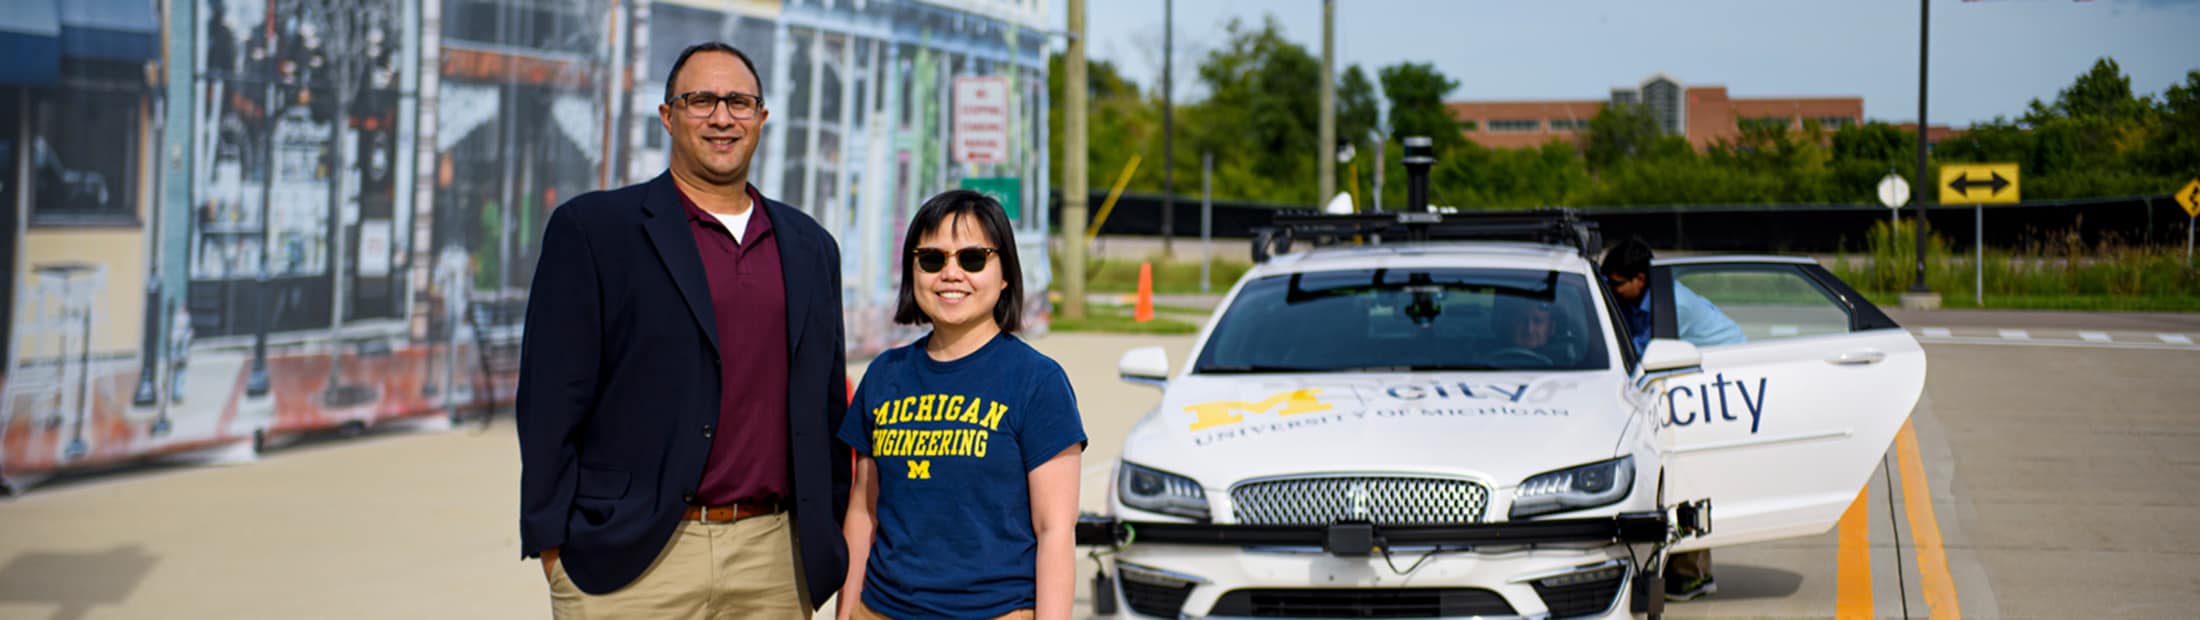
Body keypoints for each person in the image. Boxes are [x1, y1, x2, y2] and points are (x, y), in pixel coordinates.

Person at [517, 41, 849, 618]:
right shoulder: (595, 231)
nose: (722, 117)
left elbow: (825, 404)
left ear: (762, 118)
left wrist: (826, 535)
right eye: (701, 100)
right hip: (631, 562)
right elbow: (549, 399)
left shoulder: (811, 247)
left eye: (739, 102)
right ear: (668, 116)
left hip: (772, 561)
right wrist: (554, 546)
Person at [836, 190, 1086, 620]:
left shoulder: (1037, 382)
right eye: (932, 259)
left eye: (973, 258)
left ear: (1004, 273)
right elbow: (863, 510)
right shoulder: (884, 374)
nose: (951, 274)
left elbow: (1055, 532)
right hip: (879, 610)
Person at [1600, 237, 1742, 602]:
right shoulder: (1634, 299)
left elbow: (1647, 356)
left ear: (1639, 281)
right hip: (1681, 382)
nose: (1610, 290)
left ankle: (1692, 573)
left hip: (1714, 384)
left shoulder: (1671, 306)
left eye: (1615, 283)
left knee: (1686, 479)